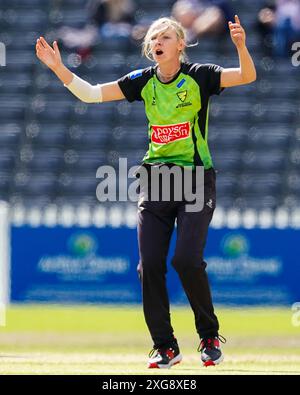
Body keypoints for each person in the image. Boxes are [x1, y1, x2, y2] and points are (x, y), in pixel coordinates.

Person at [35, 14, 256, 369]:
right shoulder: (141, 81)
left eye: (166, 36)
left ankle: (209, 336)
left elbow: (247, 76)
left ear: (180, 44)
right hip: (155, 181)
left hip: (196, 179)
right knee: (149, 266)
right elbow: (91, 95)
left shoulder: (200, 75)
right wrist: (59, 68)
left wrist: (241, 47)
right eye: (154, 36)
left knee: (185, 260)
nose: (158, 40)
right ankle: (165, 346)